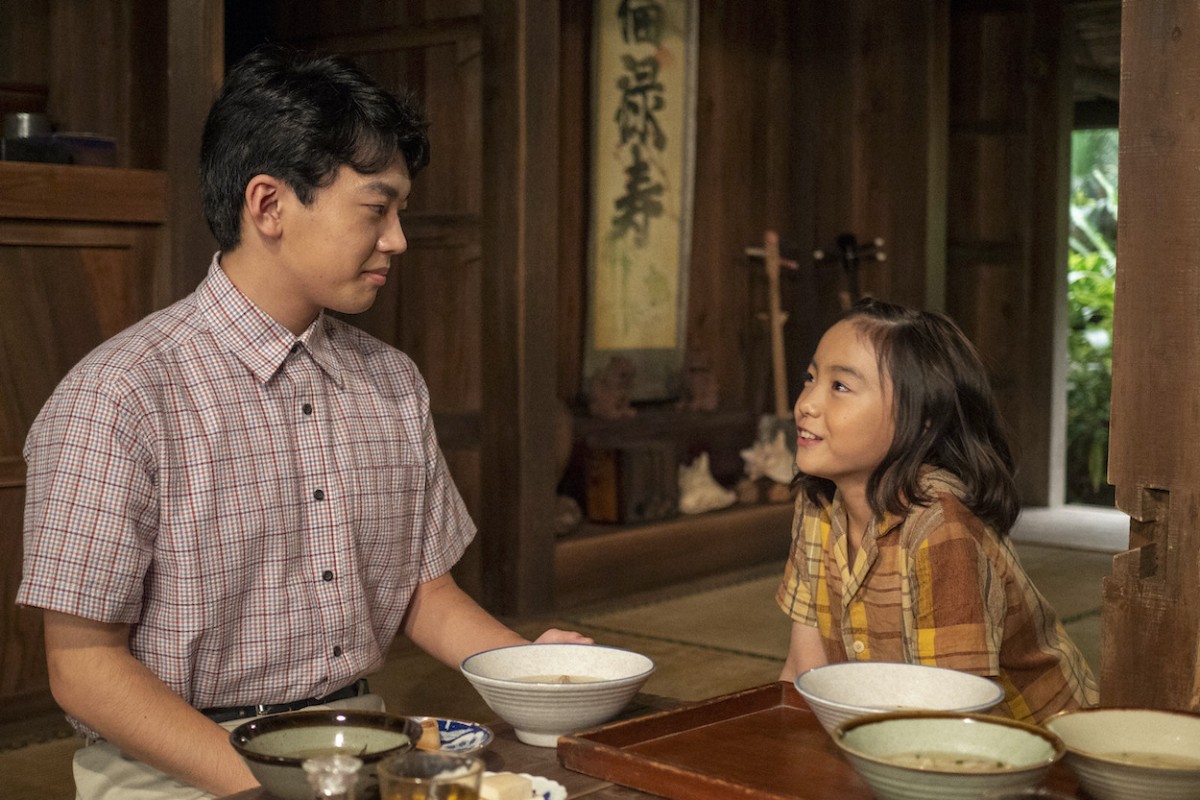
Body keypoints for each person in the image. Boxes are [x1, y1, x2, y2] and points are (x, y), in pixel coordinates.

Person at [17, 45, 590, 800]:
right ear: (269, 206)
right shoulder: (119, 396)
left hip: (357, 743)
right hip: (173, 763)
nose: (398, 239)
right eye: (376, 209)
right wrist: (269, 786)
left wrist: (535, 674)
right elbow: (83, 668)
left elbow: (424, 592)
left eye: (400, 213)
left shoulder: (391, 382)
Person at [776, 297, 1098, 723]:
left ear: (920, 418)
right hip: (903, 729)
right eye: (811, 377)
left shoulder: (939, 527)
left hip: (1034, 744)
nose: (806, 403)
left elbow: (956, 717)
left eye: (840, 387)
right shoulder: (818, 502)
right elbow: (804, 672)